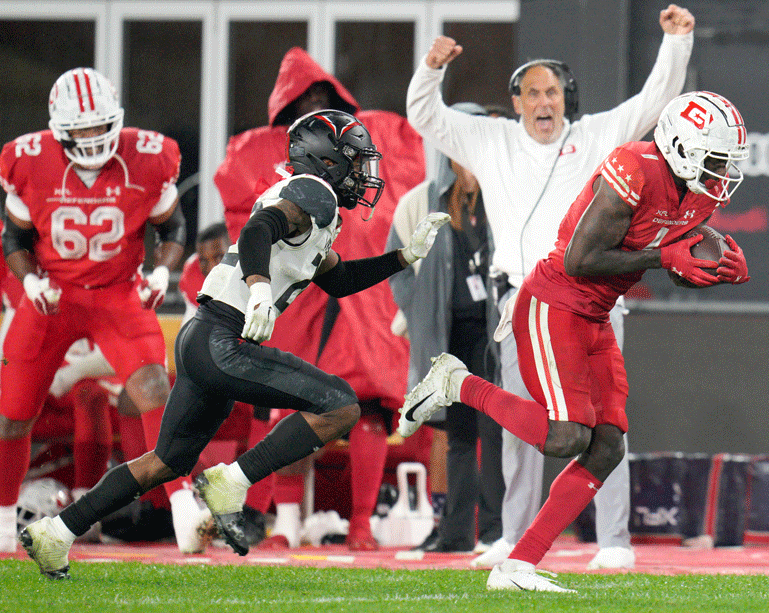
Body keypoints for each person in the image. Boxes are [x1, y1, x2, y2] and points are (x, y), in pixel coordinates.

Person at [19, 109, 450, 579]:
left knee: (164, 463)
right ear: (325, 162)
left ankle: (56, 533)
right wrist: (261, 289)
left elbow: (341, 279)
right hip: (224, 336)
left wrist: (404, 257)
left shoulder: (309, 204)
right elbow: (258, 229)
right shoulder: (314, 193)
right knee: (341, 405)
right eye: (352, 160)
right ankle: (232, 482)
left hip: (202, 338)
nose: (362, 173)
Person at [400, 90, 752, 591]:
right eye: (715, 160)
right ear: (679, 146)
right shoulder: (634, 167)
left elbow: (677, 262)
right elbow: (579, 260)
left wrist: (717, 271)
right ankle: (457, 383)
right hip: (554, 301)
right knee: (566, 437)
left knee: (607, 445)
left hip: (598, 313)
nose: (721, 174)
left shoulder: (697, 191)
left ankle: (518, 566)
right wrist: (663, 260)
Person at [405, 4, 696, 570]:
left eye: (554, 92)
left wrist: (676, 42)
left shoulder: (594, 136)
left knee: (608, 424)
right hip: (525, 303)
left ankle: (613, 541)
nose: (545, 102)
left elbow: (653, 102)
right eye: (533, 93)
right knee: (520, 429)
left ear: (567, 98)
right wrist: (432, 69)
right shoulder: (489, 141)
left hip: (593, 304)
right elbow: (424, 115)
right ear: (516, 103)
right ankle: (511, 538)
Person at [215, 47, 426, 551]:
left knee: (372, 402)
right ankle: (283, 520)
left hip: (359, 290)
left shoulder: (374, 136)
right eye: (305, 101)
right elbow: (250, 229)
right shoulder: (262, 158)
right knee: (291, 402)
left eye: (323, 99)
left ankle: (360, 522)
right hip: (301, 287)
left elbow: (396, 193)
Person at [0, 68, 198, 554]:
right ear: (58, 130)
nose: (93, 138)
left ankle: (184, 505)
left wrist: (159, 273)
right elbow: (16, 238)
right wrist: (29, 280)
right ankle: (4, 516)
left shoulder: (147, 156)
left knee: (155, 387)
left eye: (100, 126)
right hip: (54, 297)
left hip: (116, 293)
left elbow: (172, 227)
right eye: (82, 129)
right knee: (12, 414)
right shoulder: (30, 160)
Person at [387, 102, 504, 553]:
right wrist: (417, 310)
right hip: (446, 333)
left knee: (494, 432)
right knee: (459, 435)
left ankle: (495, 531)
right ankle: (456, 533)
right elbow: (396, 262)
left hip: (492, 334)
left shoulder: (501, 194)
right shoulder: (421, 201)